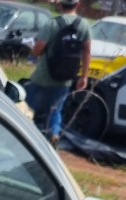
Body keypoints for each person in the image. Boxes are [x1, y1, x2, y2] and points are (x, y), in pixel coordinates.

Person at [26, 0, 92, 146]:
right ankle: (53, 135)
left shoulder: (52, 24)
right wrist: (84, 76)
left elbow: (39, 47)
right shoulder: (84, 25)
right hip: (65, 79)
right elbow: (87, 52)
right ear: (78, 5)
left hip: (43, 77)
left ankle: (26, 138)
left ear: (60, 5)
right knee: (55, 110)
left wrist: (33, 55)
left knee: (30, 109)